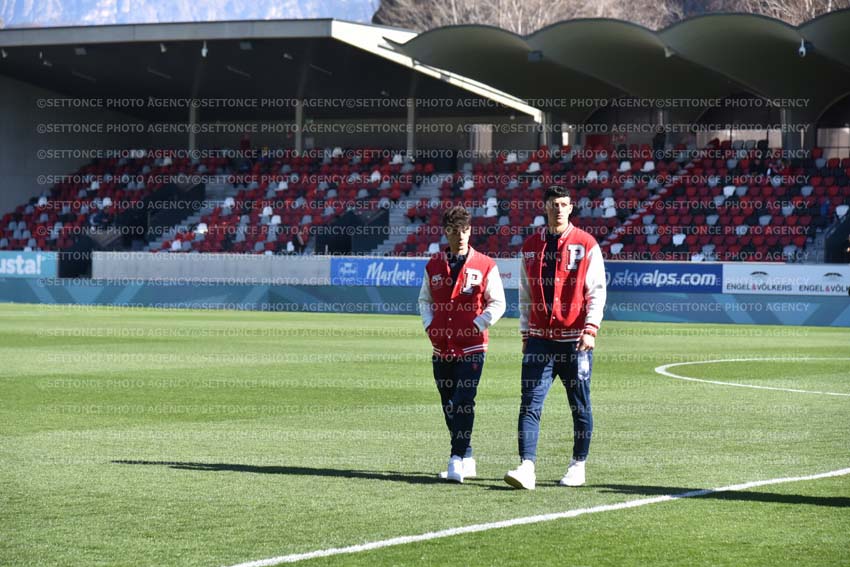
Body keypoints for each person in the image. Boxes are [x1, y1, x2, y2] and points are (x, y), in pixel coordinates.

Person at [504, 185, 606, 490]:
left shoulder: (586, 244)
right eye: (553, 204)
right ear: (545, 207)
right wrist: (525, 331)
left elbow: (596, 290)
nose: (558, 209)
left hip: (575, 340)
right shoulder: (531, 246)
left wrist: (591, 328)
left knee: (579, 404)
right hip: (539, 339)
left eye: (563, 204)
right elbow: (525, 293)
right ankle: (527, 466)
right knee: (530, 403)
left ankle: (578, 464)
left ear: (571, 207)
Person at [418, 206, 506, 483]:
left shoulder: (485, 264)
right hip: (441, 347)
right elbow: (424, 300)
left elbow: (498, 303)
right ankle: (467, 457)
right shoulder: (433, 265)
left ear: (470, 231)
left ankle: (455, 458)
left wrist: (477, 324)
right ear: (446, 232)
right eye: (455, 231)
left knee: (464, 401)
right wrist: (430, 327)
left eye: (465, 230)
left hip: (472, 348)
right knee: (448, 404)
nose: (461, 236)